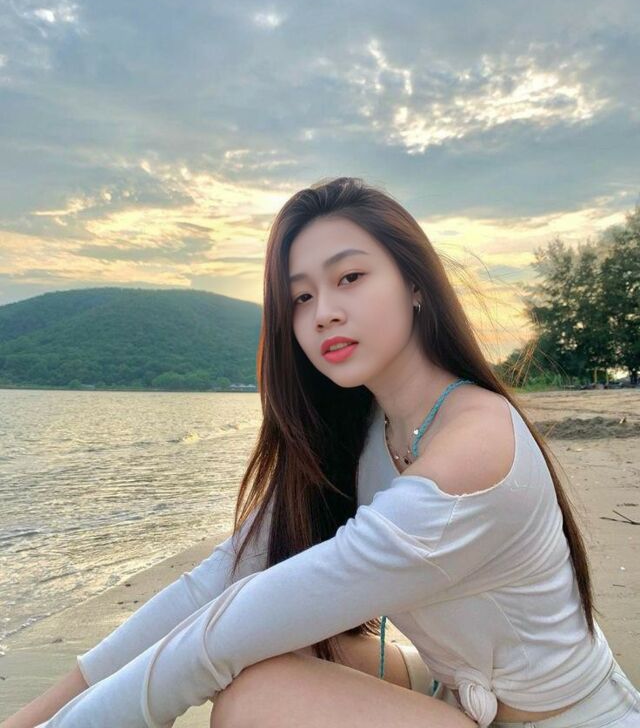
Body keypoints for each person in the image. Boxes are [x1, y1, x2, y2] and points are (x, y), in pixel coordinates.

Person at [5, 176, 639, 728]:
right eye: (301, 297)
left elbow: (216, 640)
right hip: (458, 689)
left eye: (350, 278)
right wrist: (32, 717)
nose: (323, 313)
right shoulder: (365, 430)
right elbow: (221, 579)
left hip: (563, 719)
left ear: (414, 283)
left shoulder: (473, 446)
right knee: (280, 644)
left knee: (257, 696)